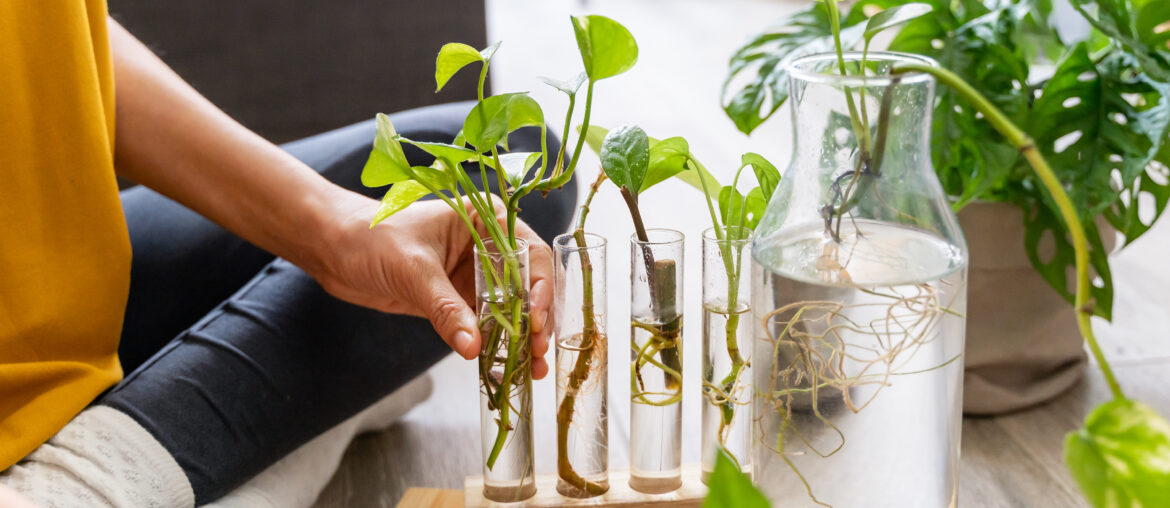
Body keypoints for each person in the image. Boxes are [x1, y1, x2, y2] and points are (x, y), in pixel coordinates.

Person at [0, 1, 575, 506]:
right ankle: (86, 482)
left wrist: (338, 227)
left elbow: (60, 46)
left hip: (61, 255)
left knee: (512, 166)